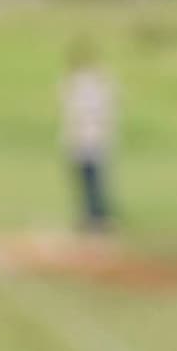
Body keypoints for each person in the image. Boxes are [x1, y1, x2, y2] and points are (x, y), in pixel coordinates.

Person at [60, 43, 117, 236]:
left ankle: (99, 217)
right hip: (84, 140)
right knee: (87, 181)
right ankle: (90, 215)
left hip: (91, 140)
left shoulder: (88, 86)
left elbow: (91, 114)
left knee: (94, 181)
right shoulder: (86, 84)